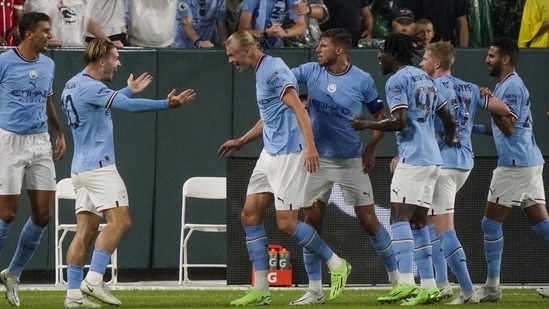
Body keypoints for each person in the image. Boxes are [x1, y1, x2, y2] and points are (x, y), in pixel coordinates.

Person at [218, 30, 351, 306]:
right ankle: (262, 289)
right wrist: (243, 140)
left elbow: (299, 110)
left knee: (287, 223)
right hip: (270, 154)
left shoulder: (274, 71)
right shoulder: (261, 71)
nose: (231, 61)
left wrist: (310, 147)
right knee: (250, 215)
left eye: (232, 55)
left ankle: (337, 264)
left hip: (289, 155)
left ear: (248, 51)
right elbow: (270, 116)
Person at [60, 38, 196, 308]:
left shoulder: (72, 84)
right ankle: (95, 279)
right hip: (100, 167)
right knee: (121, 222)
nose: (119, 63)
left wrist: (128, 90)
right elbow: (127, 107)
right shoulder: (92, 86)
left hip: (80, 170)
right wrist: (166, 105)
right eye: (115, 58)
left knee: (85, 231)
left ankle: (73, 295)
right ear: (101, 61)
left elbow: (102, 103)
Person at [288, 27, 398, 305]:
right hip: (317, 160)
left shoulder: (362, 79)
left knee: (369, 221)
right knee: (311, 223)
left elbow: (381, 117)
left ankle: (397, 280)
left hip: (351, 161)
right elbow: (283, 79)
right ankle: (315, 291)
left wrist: (371, 149)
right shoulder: (310, 70)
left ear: (339, 50)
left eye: (323, 45)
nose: (318, 49)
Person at [350, 32, 459, 305]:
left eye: (382, 50)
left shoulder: (397, 80)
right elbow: (447, 117)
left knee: (398, 219)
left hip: (413, 159)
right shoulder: (427, 78)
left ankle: (406, 283)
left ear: (394, 54)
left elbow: (399, 121)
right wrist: (448, 138)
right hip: (434, 159)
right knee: (419, 223)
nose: (378, 56)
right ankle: (430, 286)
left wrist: (367, 125)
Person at [419, 41, 511, 305]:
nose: (421, 64)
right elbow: (504, 110)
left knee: (444, 228)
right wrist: (486, 109)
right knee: (429, 220)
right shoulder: (470, 87)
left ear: (437, 63)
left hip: (442, 164)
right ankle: (441, 283)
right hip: (465, 163)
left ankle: (468, 290)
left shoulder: (431, 88)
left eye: (425, 59)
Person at [0, 12, 66, 307]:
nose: (50, 36)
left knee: (43, 215)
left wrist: (59, 133)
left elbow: (48, 101)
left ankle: (13, 274)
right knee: (7, 214)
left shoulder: (49, 64)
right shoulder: (3, 61)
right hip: (8, 142)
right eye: (45, 31)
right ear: (29, 34)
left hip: (39, 142)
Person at [476, 37, 549, 302]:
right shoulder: (505, 87)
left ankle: (492, 288)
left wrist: (487, 102)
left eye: (492, 55)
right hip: (527, 161)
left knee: (490, 223)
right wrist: (469, 129)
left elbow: (508, 128)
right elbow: (499, 126)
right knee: (542, 225)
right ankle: (492, 287)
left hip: (515, 164)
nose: (487, 59)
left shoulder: (512, 87)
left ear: (505, 59)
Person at [393, 0, 469, 47]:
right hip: (415, 51)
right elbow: (399, 22)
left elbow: (462, 23)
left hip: (445, 50)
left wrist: (464, 52)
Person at [238, 0, 306, 48]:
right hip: (253, 46)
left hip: (276, 45)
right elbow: (242, 31)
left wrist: (285, 32)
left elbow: (302, 26)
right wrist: (265, 33)